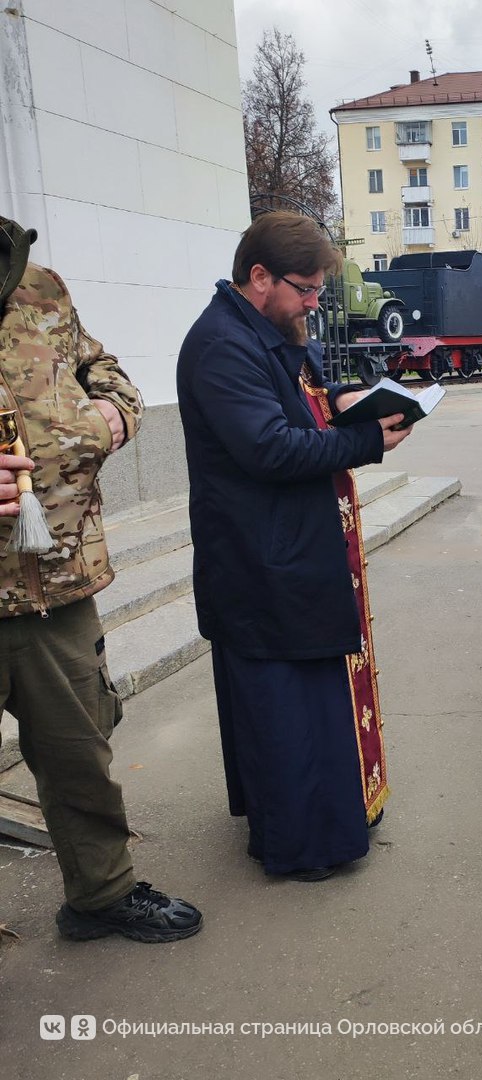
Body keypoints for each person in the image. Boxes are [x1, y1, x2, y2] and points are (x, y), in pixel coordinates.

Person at [176, 212, 411, 882]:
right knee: (284, 708)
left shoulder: (265, 328)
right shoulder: (222, 344)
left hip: (286, 548)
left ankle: (324, 818)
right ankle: (302, 844)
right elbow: (270, 446)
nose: (313, 302)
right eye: (305, 289)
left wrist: (351, 399)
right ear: (259, 277)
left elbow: (307, 393)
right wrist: (367, 442)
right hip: (257, 559)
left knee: (309, 697)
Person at [0, 215, 202, 942]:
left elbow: (100, 369)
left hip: (56, 582)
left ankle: (101, 895)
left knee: (80, 753)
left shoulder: (37, 286)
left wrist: (111, 418)